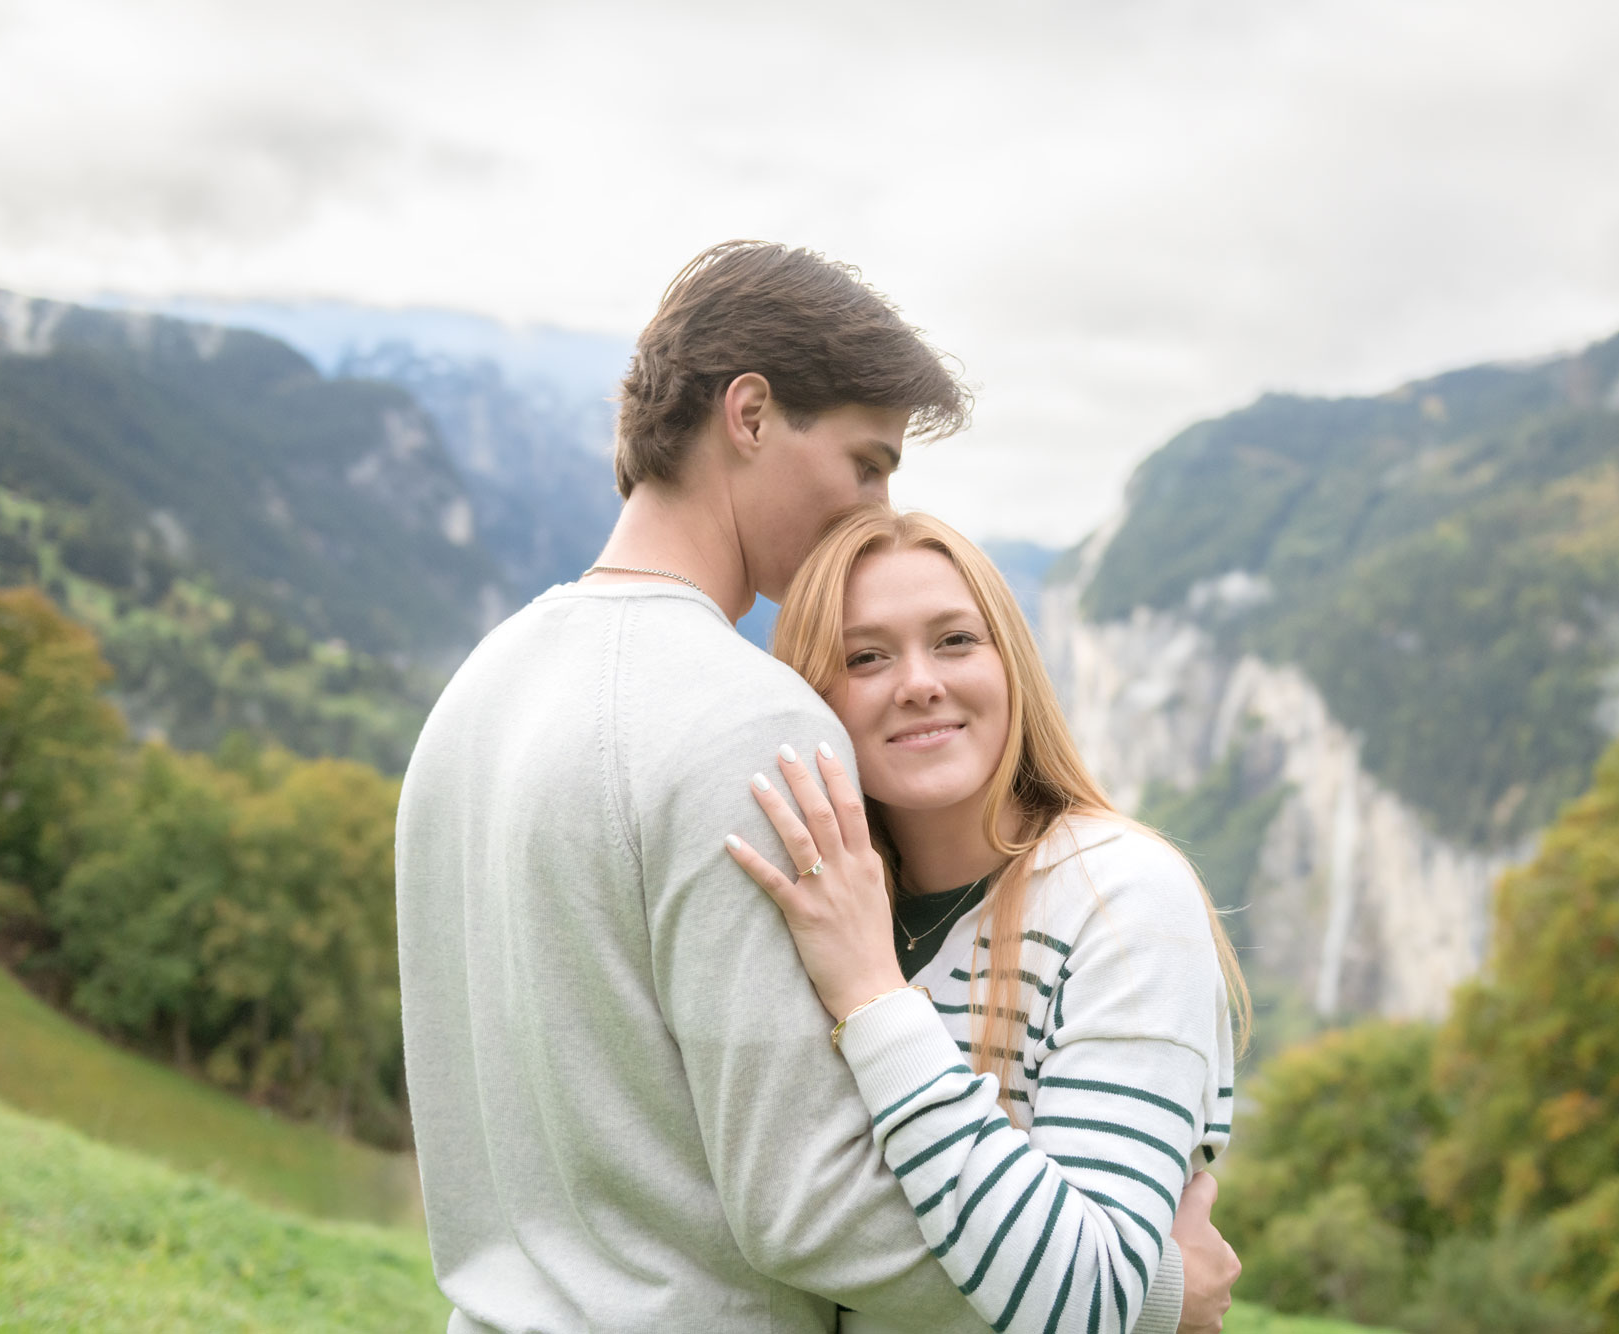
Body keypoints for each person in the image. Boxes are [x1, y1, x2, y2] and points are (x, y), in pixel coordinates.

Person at [396, 241, 1240, 1333]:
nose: (876, 505)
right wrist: (1141, 1288)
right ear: (748, 416)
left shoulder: (479, 688)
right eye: (867, 461)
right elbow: (812, 1203)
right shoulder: (752, 720)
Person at [725, 507, 1247, 1334]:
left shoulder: (1122, 897)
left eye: (956, 641)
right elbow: (783, 1219)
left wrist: (871, 994)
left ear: (1013, 663)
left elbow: (1085, 1294)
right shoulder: (821, 911)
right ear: (812, 696)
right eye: (866, 656)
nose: (920, 681)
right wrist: (1160, 1295)